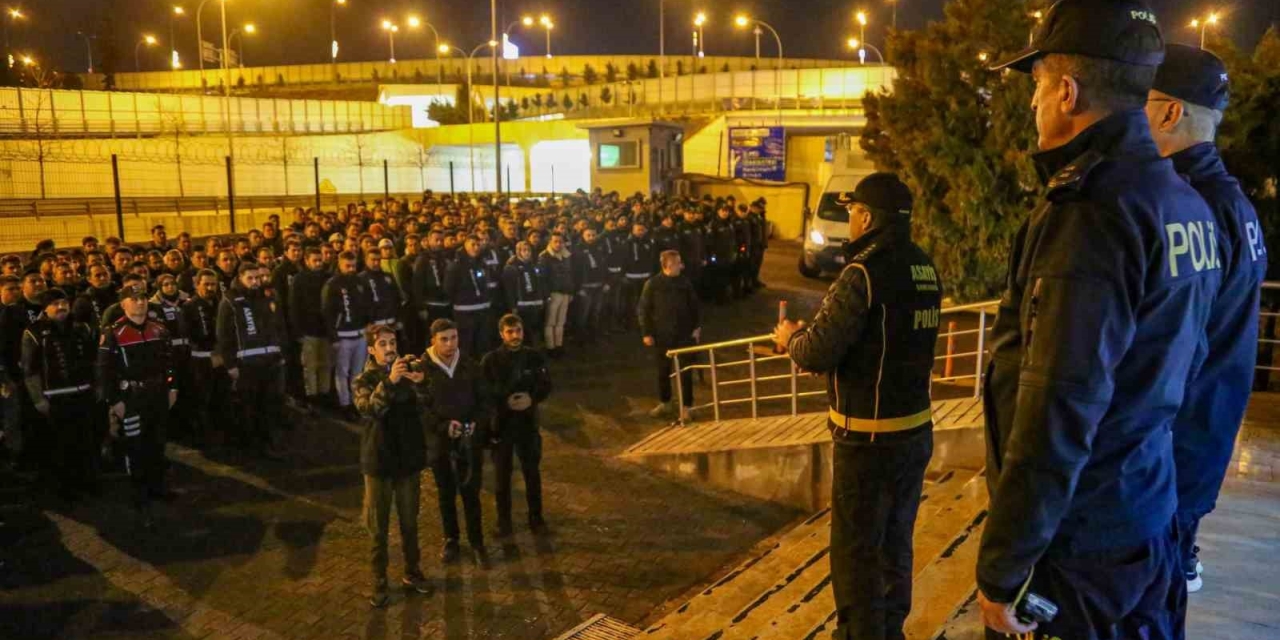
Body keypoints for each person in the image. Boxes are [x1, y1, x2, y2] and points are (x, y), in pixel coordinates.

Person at [978, 3, 1222, 637]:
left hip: (1081, 549)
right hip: (1147, 514)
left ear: (1067, 91)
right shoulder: (1183, 202)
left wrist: (1005, 567)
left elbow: (1057, 406)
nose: (1033, 103)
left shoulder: (1089, 213)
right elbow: (1193, 363)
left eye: (1037, 86)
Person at [773, 174, 941, 640]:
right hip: (914, 431)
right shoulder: (924, 266)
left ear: (866, 217)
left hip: (867, 438)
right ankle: (891, 630)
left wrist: (791, 339)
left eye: (851, 211)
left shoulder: (861, 273)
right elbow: (881, 343)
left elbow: (816, 350)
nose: (849, 219)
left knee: (856, 552)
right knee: (895, 544)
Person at [1146, 44, 1269, 595]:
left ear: (1170, 112)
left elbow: (1172, 346)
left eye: (1138, 102)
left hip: (1171, 453)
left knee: (1148, 601)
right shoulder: (1235, 203)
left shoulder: (1186, 205)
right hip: (1204, 438)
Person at [352, 323, 432, 607]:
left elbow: (426, 407)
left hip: (407, 460)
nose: (390, 348)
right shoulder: (364, 379)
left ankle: (412, 571)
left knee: (410, 522)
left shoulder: (407, 372)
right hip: (379, 461)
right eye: (383, 344)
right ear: (371, 350)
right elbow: (369, 409)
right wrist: (390, 382)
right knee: (378, 527)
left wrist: (421, 383)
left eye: (392, 343)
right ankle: (379, 581)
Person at [97, 285, 178, 529]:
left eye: (142, 298)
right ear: (123, 304)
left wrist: (172, 388)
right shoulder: (113, 333)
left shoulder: (159, 329)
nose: (140, 302)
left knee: (157, 442)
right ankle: (140, 498)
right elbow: (104, 371)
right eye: (133, 299)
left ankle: (157, 487)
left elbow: (170, 362)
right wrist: (115, 400)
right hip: (131, 398)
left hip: (158, 394)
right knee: (135, 448)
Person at [420, 319, 492, 569]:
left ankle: (477, 542)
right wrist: (442, 426)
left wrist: (475, 424)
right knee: (446, 493)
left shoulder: (470, 365)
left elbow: (485, 401)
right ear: (433, 340)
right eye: (444, 339)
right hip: (440, 444)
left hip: (468, 442)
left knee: (471, 493)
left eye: (454, 338)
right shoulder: (423, 370)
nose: (450, 344)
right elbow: (421, 408)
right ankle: (451, 539)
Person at [21, 289, 99, 501]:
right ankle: (65, 490)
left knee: (86, 441)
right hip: (55, 398)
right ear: (45, 308)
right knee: (60, 446)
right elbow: (30, 370)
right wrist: (38, 398)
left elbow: (94, 360)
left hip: (83, 393)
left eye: (64, 302)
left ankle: (88, 483)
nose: (61, 307)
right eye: (55, 304)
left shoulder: (81, 327)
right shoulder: (34, 332)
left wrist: (97, 388)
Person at [482, 314, 553, 538]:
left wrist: (532, 398)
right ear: (501, 334)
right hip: (502, 426)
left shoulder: (534, 357)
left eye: (518, 331)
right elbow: (484, 392)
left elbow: (546, 384)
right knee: (502, 477)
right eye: (510, 332)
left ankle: (536, 518)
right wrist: (505, 401)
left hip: (527, 424)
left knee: (532, 473)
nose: (515, 336)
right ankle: (504, 521)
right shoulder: (491, 361)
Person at [216, 262, 287, 459]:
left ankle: (266, 443)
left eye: (258, 278)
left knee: (268, 405)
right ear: (240, 278)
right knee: (249, 407)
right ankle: (250, 446)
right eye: (250, 278)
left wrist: (280, 353)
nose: (255, 282)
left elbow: (277, 327)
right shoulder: (230, 300)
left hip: (270, 361)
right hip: (246, 364)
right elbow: (224, 335)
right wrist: (230, 364)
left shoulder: (266, 297)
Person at [637, 250, 700, 421]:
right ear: (669, 265)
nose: (682, 266)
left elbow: (694, 305)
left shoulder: (685, 283)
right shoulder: (653, 284)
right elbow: (643, 310)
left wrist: (696, 327)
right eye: (678, 263)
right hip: (662, 335)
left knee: (686, 371)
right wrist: (646, 333)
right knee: (663, 371)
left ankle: (687, 406)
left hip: (684, 334)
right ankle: (665, 402)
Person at [323, 251, 370, 421]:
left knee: (358, 372)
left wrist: (367, 324)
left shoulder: (359, 282)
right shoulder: (332, 284)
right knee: (342, 372)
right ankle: (345, 405)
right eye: (347, 266)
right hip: (342, 336)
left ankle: (357, 403)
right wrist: (333, 337)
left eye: (353, 266)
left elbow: (366, 305)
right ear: (340, 265)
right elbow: (328, 312)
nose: (351, 269)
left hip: (360, 334)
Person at [182, 269, 223, 448]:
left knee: (220, 396)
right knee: (202, 398)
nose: (210, 288)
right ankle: (204, 437)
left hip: (222, 357)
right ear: (197, 284)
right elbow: (188, 335)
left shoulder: (221, 303)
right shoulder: (189, 307)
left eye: (213, 284)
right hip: (200, 359)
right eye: (206, 284)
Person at [291, 247, 334, 409]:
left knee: (326, 365)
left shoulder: (328, 278)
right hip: (308, 331)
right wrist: (298, 331)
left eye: (320, 260)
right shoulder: (299, 280)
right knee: (310, 367)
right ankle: (312, 399)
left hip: (326, 330)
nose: (318, 263)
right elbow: (294, 306)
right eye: (314, 260)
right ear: (307, 261)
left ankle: (324, 395)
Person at [445, 236, 495, 359]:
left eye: (478, 245)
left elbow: (486, 284)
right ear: (465, 245)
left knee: (483, 344)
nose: (476, 247)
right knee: (466, 345)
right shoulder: (456, 265)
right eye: (473, 244)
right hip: (464, 312)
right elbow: (449, 288)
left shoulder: (482, 263)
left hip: (483, 310)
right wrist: (461, 299)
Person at [502, 241, 547, 346]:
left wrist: (542, 299)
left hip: (535, 304)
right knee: (523, 331)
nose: (527, 253)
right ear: (518, 252)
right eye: (524, 250)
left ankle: (535, 350)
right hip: (521, 306)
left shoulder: (535, 265)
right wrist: (513, 306)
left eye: (529, 250)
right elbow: (509, 289)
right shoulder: (511, 267)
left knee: (535, 330)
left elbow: (540, 283)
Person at [539, 232, 574, 358]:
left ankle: (559, 346)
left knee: (561, 321)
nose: (558, 244)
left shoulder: (566, 255)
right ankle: (551, 347)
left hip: (565, 292)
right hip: (553, 293)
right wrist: (546, 295)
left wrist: (571, 292)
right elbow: (542, 278)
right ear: (550, 242)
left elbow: (570, 275)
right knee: (550, 321)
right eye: (555, 241)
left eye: (560, 241)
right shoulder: (544, 256)